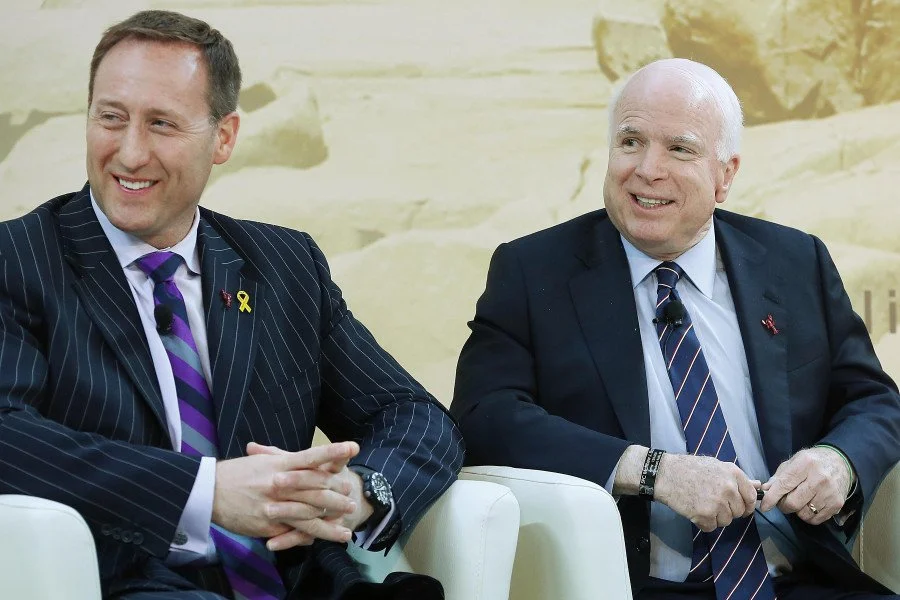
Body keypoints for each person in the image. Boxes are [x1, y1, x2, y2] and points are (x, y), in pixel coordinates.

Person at [0, 10, 462, 600]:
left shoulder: (284, 264)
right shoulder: (18, 261)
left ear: (223, 137)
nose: (130, 153)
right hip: (126, 582)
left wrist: (357, 492)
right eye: (111, 118)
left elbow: (413, 414)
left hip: (301, 582)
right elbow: (8, 437)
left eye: (162, 124)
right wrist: (206, 492)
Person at [450, 57, 900, 600]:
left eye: (679, 149)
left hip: (799, 581)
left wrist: (839, 461)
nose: (647, 169)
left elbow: (874, 400)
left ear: (725, 175)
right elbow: (485, 415)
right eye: (631, 142)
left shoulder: (794, 261)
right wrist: (651, 471)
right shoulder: (533, 272)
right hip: (641, 587)